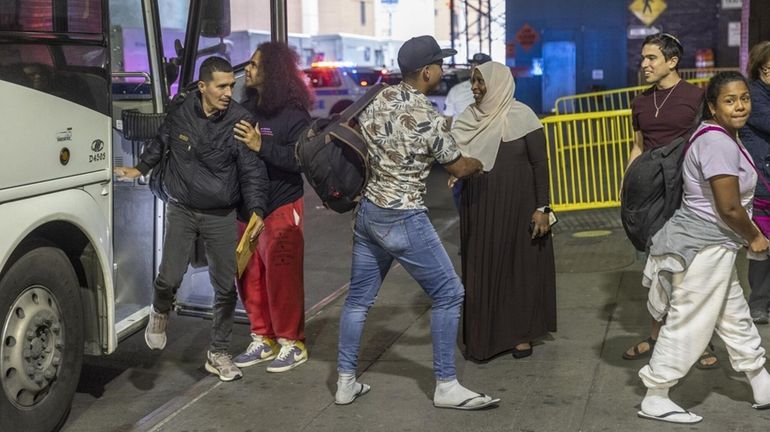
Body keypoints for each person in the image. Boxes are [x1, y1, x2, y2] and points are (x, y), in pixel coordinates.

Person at [334, 35, 499, 410]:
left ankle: (345, 382)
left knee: (358, 300)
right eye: (440, 64)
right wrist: (478, 163)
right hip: (404, 216)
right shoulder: (427, 115)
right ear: (427, 71)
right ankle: (446, 384)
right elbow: (456, 165)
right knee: (449, 293)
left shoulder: (375, 98)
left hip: (369, 213)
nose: (442, 70)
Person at [113, 57, 268, 382]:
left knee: (225, 287)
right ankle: (160, 311)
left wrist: (257, 211)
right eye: (221, 86)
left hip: (220, 213)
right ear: (203, 87)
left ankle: (219, 352)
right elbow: (160, 143)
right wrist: (139, 168)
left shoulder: (240, 121)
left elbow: (252, 171)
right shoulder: (180, 112)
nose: (229, 92)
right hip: (182, 208)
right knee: (169, 277)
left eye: (231, 85)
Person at [637, 71, 770, 424]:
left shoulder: (724, 136)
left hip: (713, 245)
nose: (740, 105)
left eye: (744, 98)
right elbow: (728, 207)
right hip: (702, 247)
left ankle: (761, 382)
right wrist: (755, 236)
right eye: (730, 100)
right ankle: (656, 393)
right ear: (712, 106)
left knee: (734, 317)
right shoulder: (717, 143)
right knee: (690, 321)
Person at [623, 33, 718, 369]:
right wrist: (629, 185)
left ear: (672, 61)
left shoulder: (697, 97)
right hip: (651, 192)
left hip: (688, 191)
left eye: (652, 58)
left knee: (690, 267)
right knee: (658, 264)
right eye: (643, 58)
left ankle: (701, 341)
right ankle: (656, 333)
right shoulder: (640, 102)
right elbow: (638, 146)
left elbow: (709, 143)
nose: (644, 65)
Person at [451, 61, 556, 362]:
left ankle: (520, 334)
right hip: (479, 207)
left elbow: (540, 165)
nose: (475, 88)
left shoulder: (523, 117)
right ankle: (485, 337)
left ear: (498, 83)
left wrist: (543, 208)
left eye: (480, 82)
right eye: (473, 82)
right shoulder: (467, 119)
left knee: (517, 269)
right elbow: (453, 157)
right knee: (481, 267)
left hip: (519, 207)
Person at [231, 42, 313, 372]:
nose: (247, 70)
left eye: (254, 65)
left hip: (281, 205)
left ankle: (292, 342)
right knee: (248, 276)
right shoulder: (247, 107)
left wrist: (259, 144)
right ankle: (262, 337)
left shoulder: (294, 115)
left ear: (272, 72)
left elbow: (299, 161)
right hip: (248, 207)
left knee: (282, 277)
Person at [741, 41, 770, 325]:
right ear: (763, 68)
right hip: (763, 185)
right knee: (760, 248)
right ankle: (758, 304)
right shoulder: (754, 96)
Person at [444, 52, 491, 210]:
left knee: (486, 191)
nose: (475, 68)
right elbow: (447, 122)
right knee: (460, 192)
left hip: (485, 147)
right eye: (472, 65)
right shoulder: (456, 91)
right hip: (461, 149)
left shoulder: (495, 92)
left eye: (480, 66)